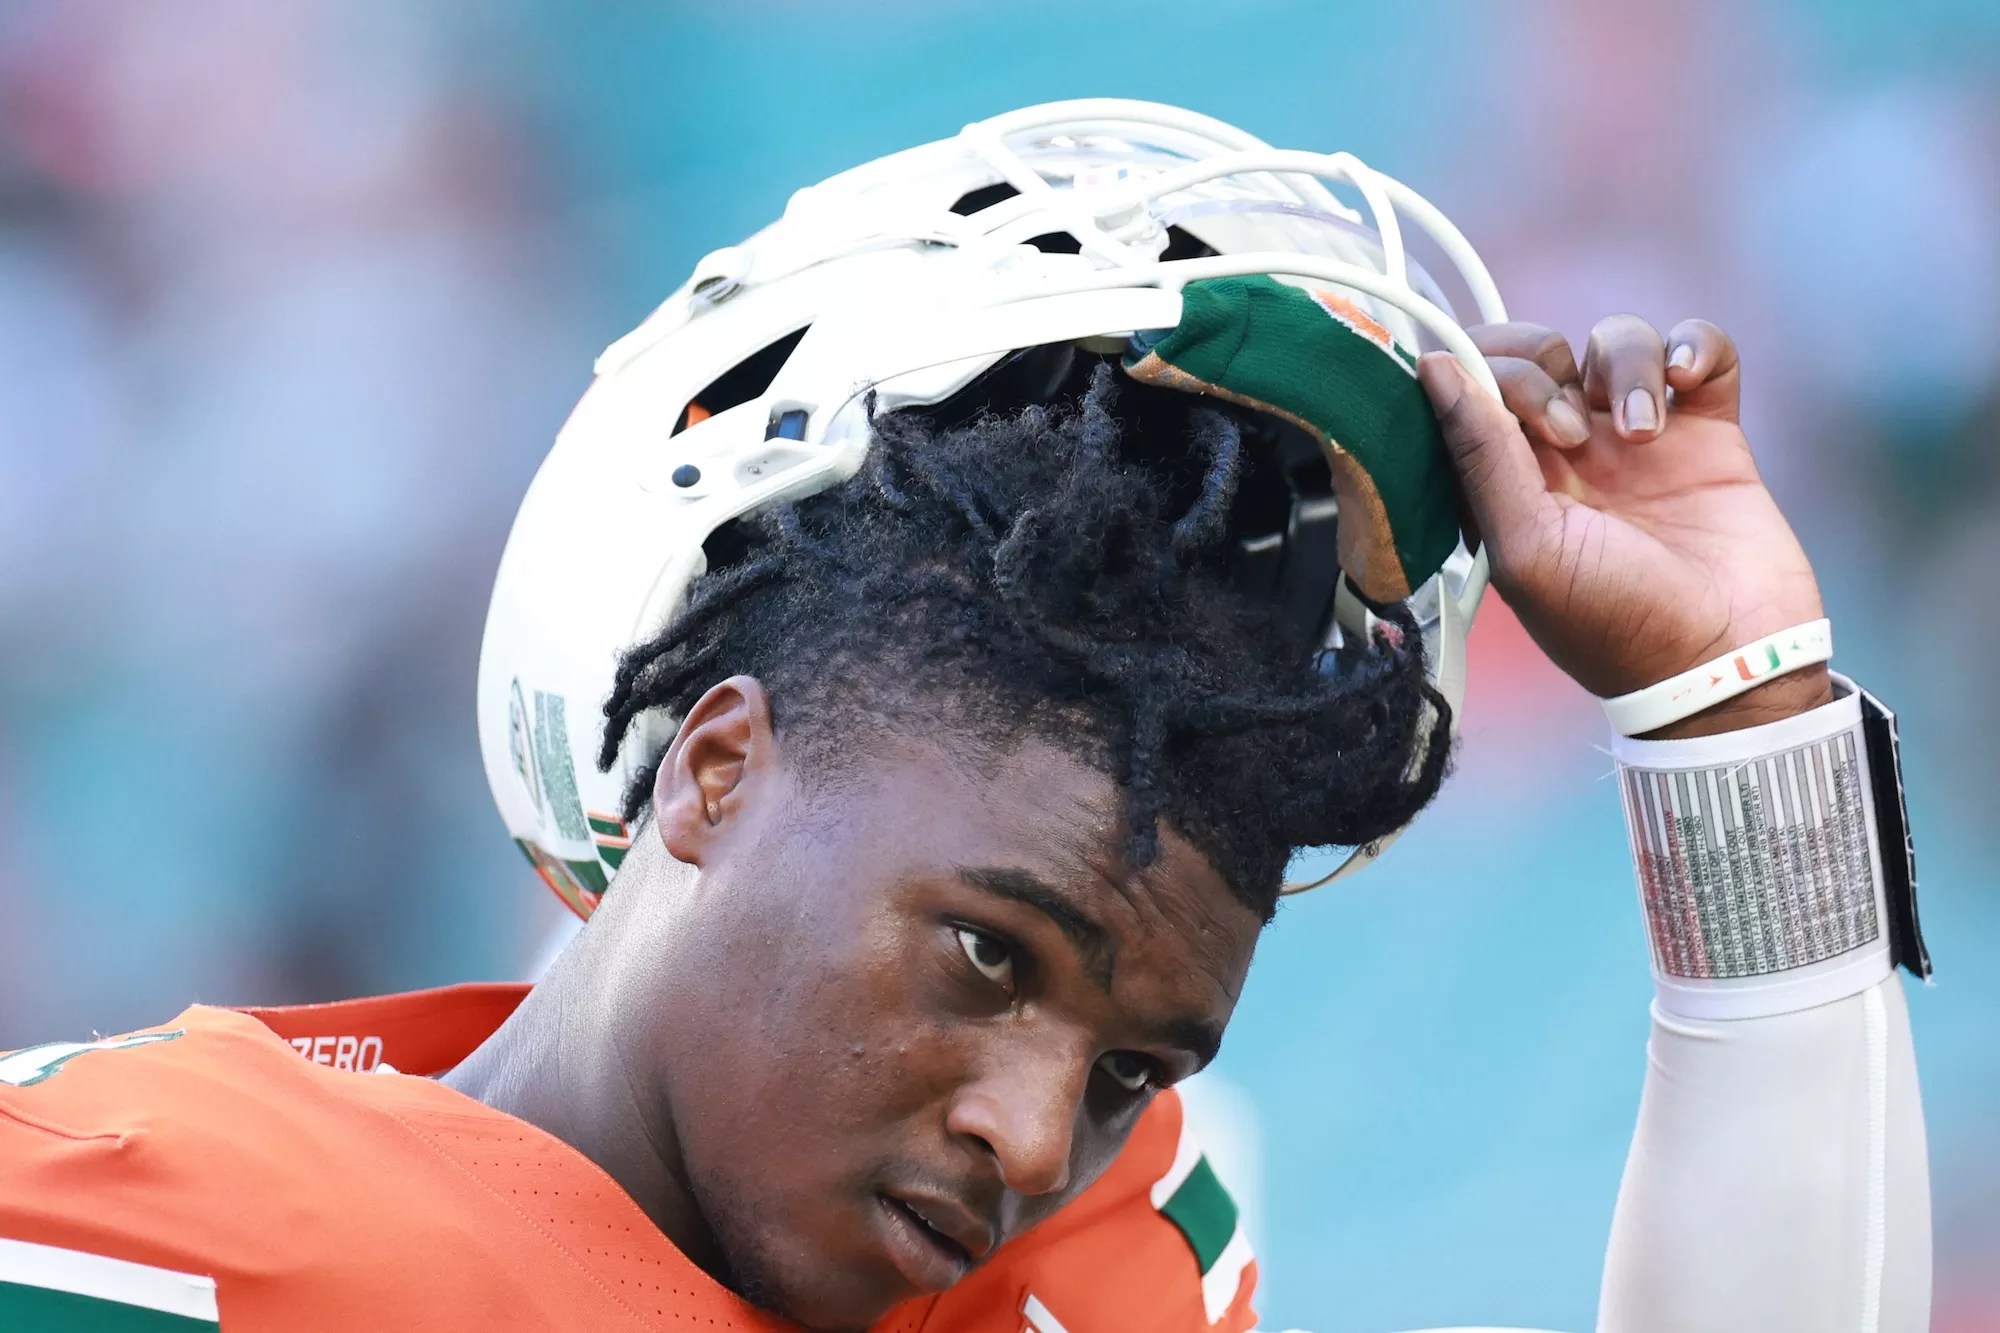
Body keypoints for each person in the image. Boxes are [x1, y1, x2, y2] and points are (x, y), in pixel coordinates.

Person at [0, 102, 1929, 1332]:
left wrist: (1734, 710)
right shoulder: (145, 1229)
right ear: (718, 765)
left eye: (1125, 1067)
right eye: (990, 954)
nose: (1028, 1131)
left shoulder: (1094, 1259)